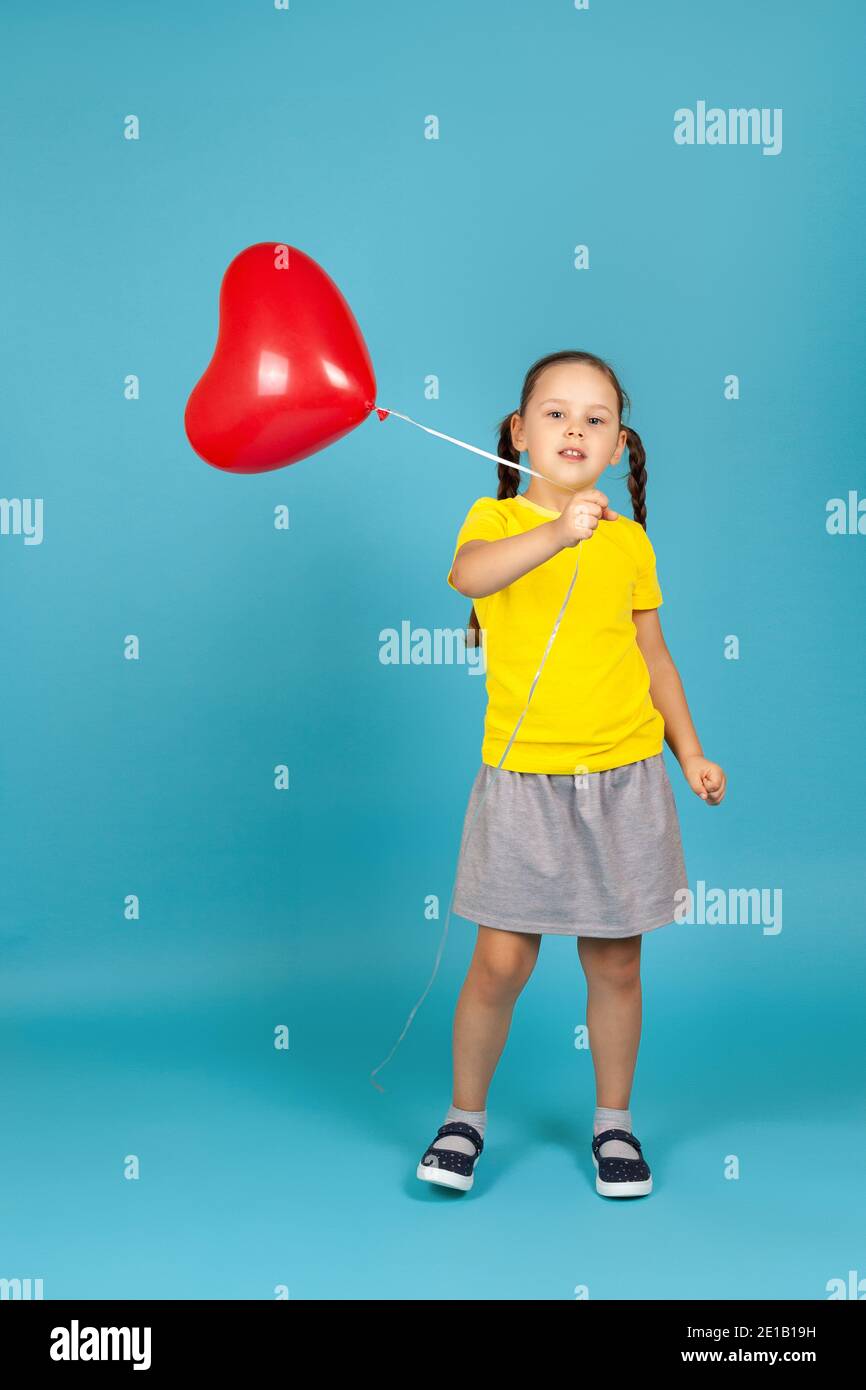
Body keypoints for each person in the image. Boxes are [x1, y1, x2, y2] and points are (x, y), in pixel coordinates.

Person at [417, 350, 726, 1197]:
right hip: (525, 782)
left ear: (619, 444)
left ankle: (614, 1124)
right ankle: (463, 1118)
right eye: (555, 414)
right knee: (501, 963)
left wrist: (689, 750)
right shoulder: (497, 519)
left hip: (623, 778)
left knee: (616, 963)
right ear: (520, 432)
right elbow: (468, 576)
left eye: (596, 419)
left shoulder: (629, 543)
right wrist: (556, 531)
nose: (575, 430)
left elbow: (653, 656)